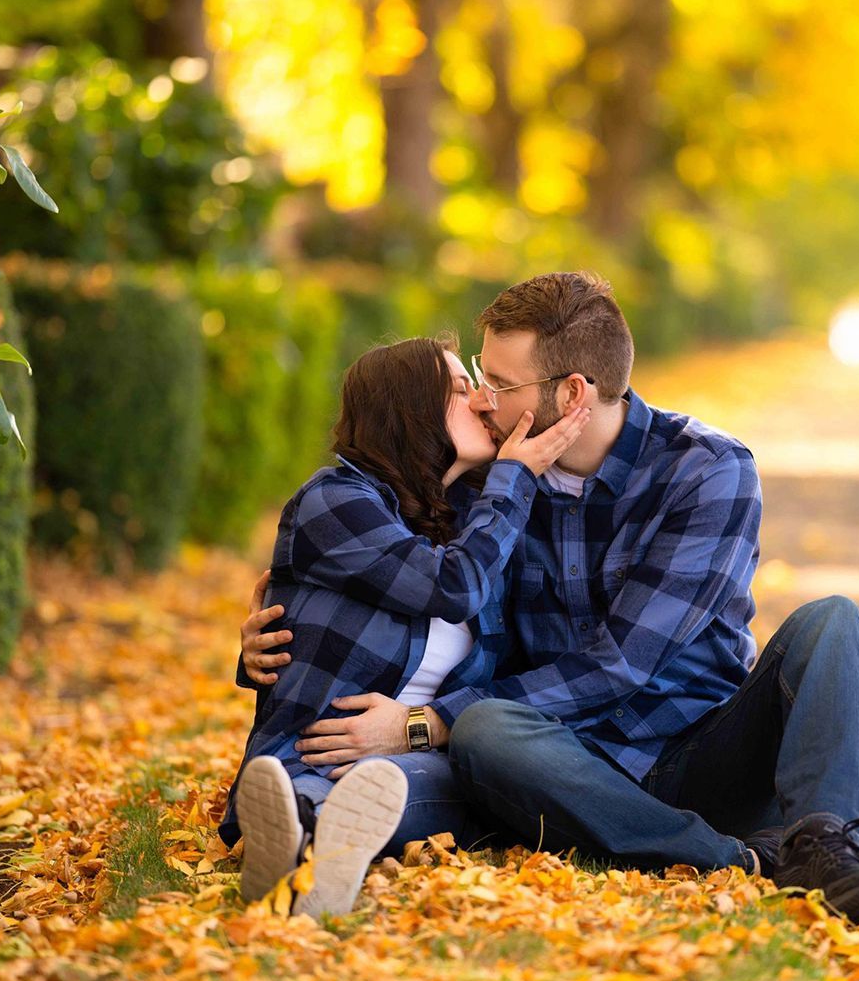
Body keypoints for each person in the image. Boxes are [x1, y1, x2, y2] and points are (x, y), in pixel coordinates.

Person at [242, 273, 859, 929]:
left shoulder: (705, 469)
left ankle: (830, 850)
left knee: (832, 620)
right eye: (480, 377)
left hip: (699, 752)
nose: (483, 401)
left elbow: (622, 663)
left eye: (499, 385)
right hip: (557, 765)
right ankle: (750, 859)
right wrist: (274, 617)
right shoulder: (489, 482)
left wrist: (426, 723)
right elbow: (391, 563)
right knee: (487, 729)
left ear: (572, 393)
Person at [221, 334, 589, 918]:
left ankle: (305, 846)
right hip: (318, 750)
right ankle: (298, 825)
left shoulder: (474, 515)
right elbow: (452, 587)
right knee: (351, 783)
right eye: (462, 389)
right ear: (410, 408)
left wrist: (420, 728)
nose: (482, 404)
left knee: (438, 781)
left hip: (421, 757)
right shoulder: (335, 500)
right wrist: (514, 480)